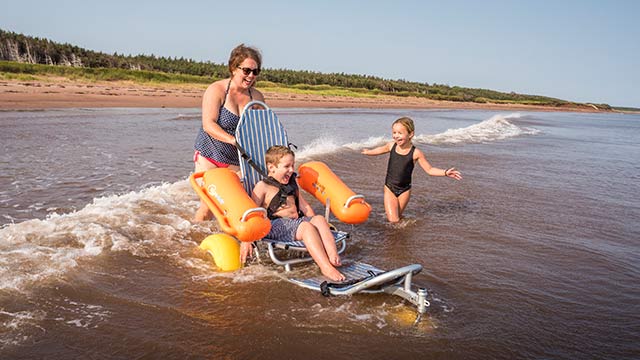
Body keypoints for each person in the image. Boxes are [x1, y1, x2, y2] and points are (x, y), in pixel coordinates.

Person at [248, 145, 345, 282]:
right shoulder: (262, 187)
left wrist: (316, 221)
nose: (291, 170)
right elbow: (252, 213)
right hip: (275, 225)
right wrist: (246, 240)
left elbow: (304, 207)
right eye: (287, 166)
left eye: (293, 165)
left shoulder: (290, 184)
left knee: (319, 219)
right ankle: (325, 267)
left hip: (295, 224)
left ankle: (332, 256)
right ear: (271, 168)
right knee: (307, 227)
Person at [193, 44, 265, 222]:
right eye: (247, 70)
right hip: (210, 155)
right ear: (234, 68)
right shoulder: (217, 90)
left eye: (255, 72)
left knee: (240, 203)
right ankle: (193, 241)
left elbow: (261, 128)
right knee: (208, 205)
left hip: (237, 160)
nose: (251, 76)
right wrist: (232, 140)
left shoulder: (257, 97)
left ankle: (239, 239)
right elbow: (208, 124)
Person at [361, 116, 462, 223]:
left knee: (398, 218)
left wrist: (445, 172)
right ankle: (393, 235)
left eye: (400, 133)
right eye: (394, 132)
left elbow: (430, 169)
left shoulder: (416, 153)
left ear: (410, 134)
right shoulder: (391, 146)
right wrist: (368, 152)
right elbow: (380, 149)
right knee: (394, 220)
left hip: (405, 190)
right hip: (390, 187)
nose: (396, 136)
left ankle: (399, 237)